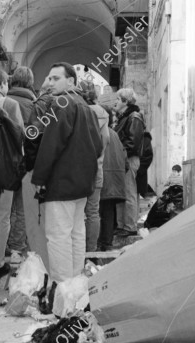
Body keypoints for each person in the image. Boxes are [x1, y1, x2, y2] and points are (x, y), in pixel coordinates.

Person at [31, 62, 102, 283]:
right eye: (49, 78)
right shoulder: (84, 105)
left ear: (70, 81)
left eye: (55, 78)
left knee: (58, 236)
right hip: (81, 184)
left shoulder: (61, 104)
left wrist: (40, 177)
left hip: (62, 182)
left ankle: (62, 287)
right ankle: (76, 284)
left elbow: (50, 145)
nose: (49, 83)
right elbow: (98, 146)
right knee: (75, 233)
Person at [0, 68, 24, 280]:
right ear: (2, 85)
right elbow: (19, 136)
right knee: (2, 218)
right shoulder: (10, 104)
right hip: (2, 171)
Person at [6, 67, 36, 266]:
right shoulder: (35, 105)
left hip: (2, 161)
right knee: (21, 206)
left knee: (2, 207)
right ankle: (17, 247)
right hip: (25, 162)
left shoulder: (3, 101)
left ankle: (1, 245)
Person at [22, 76, 52, 270]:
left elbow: (32, 135)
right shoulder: (71, 104)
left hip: (38, 171)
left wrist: (32, 168)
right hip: (59, 172)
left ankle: (41, 265)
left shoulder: (41, 104)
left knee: (36, 222)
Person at [79, 80, 109, 254]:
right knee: (93, 211)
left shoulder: (77, 110)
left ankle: (76, 249)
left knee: (76, 212)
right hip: (97, 167)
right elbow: (106, 139)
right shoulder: (102, 113)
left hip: (77, 169)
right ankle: (90, 251)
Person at [113, 88, 146, 237]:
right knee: (121, 193)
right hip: (122, 159)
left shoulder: (134, 117)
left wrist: (120, 152)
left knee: (129, 192)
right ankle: (121, 225)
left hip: (128, 159)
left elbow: (132, 142)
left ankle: (130, 226)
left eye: (118, 99)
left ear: (125, 101)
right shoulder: (125, 117)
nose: (115, 102)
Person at [98, 105, 127, 251]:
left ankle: (98, 242)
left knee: (96, 213)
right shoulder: (115, 134)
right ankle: (107, 242)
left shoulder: (100, 133)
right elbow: (124, 158)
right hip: (114, 180)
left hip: (103, 179)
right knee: (108, 212)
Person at [137, 131, 153, 197]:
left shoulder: (145, 139)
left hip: (138, 174)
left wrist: (138, 170)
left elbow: (148, 156)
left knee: (133, 197)